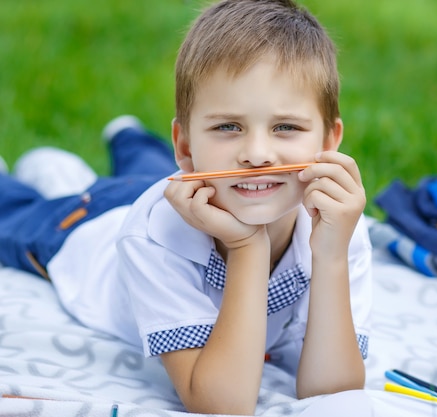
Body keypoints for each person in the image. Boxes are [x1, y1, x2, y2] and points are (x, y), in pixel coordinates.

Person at [0, 0, 372, 415]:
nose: (257, 153)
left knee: (147, 170)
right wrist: (249, 247)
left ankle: (129, 137)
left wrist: (332, 256)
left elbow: (333, 393)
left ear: (328, 141)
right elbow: (221, 404)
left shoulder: (336, 224)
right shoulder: (154, 235)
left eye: (285, 127)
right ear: (185, 145)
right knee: (13, 213)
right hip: (84, 226)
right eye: (228, 127)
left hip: (205, 186)